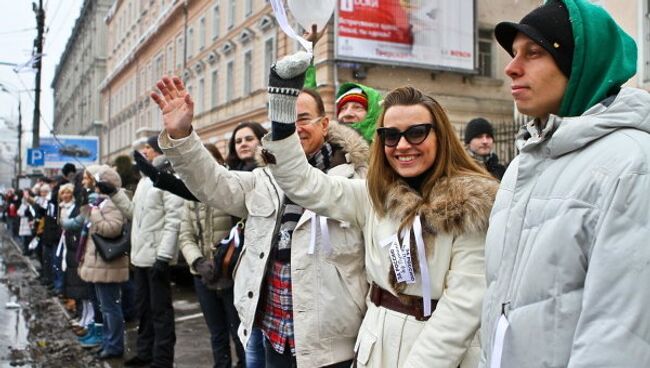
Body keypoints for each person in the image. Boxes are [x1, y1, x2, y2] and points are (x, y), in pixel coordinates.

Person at [156, 50, 498, 367]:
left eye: (417, 133)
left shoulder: (464, 205)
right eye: (391, 136)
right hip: (338, 343)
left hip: (354, 346)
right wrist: (277, 111)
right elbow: (295, 179)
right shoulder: (374, 194)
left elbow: (462, 310)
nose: (403, 145)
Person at [479, 1, 650, 367]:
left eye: (534, 52)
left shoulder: (632, 164)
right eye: (514, 54)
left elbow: (620, 333)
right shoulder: (523, 165)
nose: (511, 67)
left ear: (581, 63)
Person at [153, 78, 370, 367]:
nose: (294, 128)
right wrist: (182, 136)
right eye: (285, 120)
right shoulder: (265, 180)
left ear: (325, 124)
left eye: (303, 118)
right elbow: (212, 183)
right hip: (275, 336)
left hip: (334, 348)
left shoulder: (358, 180)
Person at [98, 135, 185, 368]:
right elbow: (134, 214)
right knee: (143, 310)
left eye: (148, 147)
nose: (144, 151)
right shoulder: (146, 181)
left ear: (159, 151)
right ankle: (145, 352)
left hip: (158, 258)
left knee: (161, 312)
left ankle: (163, 359)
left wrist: (164, 257)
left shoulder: (168, 179)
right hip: (141, 258)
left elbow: (174, 221)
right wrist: (114, 193)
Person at [178, 144, 246, 368]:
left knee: (240, 334)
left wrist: (225, 262)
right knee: (216, 333)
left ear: (218, 160)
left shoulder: (231, 185)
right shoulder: (191, 193)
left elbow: (242, 229)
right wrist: (198, 261)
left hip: (231, 274)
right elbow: (185, 235)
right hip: (203, 276)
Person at [77, 165, 130, 359]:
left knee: (111, 308)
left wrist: (95, 212)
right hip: (100, 264)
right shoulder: (100, 202)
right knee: (105, 306)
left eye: (91, 180)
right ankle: (108, 342)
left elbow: (112, 228)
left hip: (109, 264)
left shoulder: (112, 202)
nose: (88, 183)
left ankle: (115, 345)